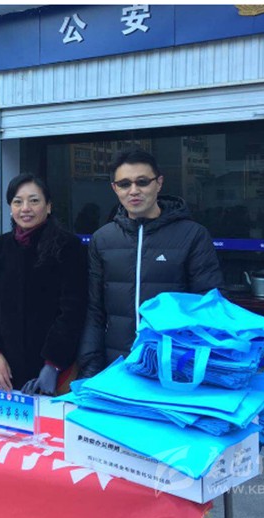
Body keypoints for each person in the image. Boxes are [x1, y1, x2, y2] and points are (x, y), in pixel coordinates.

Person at [76, 148, 223, 377]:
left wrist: (196, 366)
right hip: (117, 366)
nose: (134, 191)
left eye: (142, 182)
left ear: (159, 183)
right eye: (124, 184)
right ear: (115, 188)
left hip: (173, 367)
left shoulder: (192, 235)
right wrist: (90, 370)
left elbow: (209, 307)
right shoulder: (103, 239)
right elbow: (95, 311)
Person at [0, 175, 88, 394]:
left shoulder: (68, 246)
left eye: (34, 201)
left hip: (53, 368)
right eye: (18, 202)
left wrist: (53, 364)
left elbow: (72, 310)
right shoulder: (0, 246)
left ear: (48, 206)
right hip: (4, 367)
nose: (25, 208)